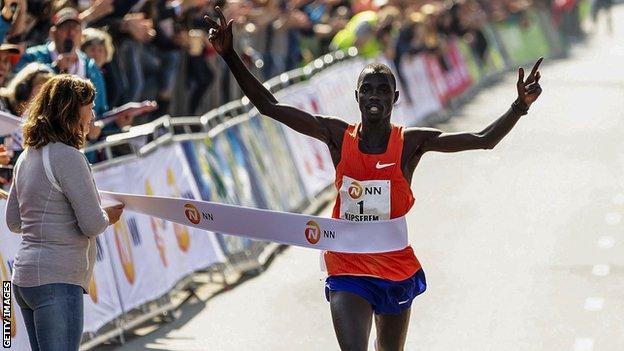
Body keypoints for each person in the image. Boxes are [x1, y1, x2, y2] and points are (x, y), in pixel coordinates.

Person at [206, 6, 543, 351]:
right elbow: (270, 107)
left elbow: (483, 140)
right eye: (368, 90)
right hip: (347, 267)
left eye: (383, 90)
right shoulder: (337, 136)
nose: (375, 97)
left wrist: (520, 106)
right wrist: (230, 54)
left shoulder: (411, 142)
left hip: (395, 267)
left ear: (395, 97)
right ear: (357, 97)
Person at [5, 74, 124, 351]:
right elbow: (93, 224)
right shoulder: (69, 157)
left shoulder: (26, 156)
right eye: (89, 107)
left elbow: (13, 221)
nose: (93, 115)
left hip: (24, 280)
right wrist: (109, 216)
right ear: (71, 110)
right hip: (56, 280)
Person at [14, 7, 109, 117]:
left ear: (81, 36)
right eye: (65, 28)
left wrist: (102, 126)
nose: (71, 33)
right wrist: (54, 69)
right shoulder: (33, 57)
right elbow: (18, 94)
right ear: (52, 33)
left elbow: (101, 111)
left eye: (76, 29)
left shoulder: (90, 67)